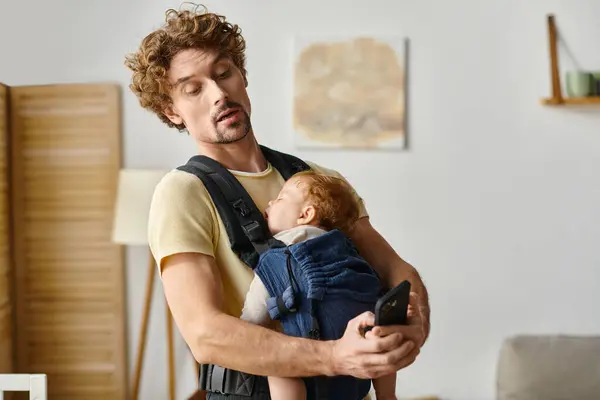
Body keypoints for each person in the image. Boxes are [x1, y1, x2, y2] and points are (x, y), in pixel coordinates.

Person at [125, 3, 430, 399]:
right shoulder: (181, 193)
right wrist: (336, 357)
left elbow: (396, 270)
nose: (219, 94)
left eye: (224, 74)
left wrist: (413, 326)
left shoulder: (319, 180)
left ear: (242, 76)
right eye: (193, 89)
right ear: (172, 110)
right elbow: (206, 335)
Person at [240, 170, 399, 400]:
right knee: (380, 348)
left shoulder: (278, 254)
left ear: (305, 215)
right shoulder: (346, 248)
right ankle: (388, 396)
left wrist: (246, 327)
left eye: (281, 198)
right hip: (357, 335)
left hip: (311, 343)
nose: (271, 202)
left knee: (276, 366)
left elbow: (254, 315)